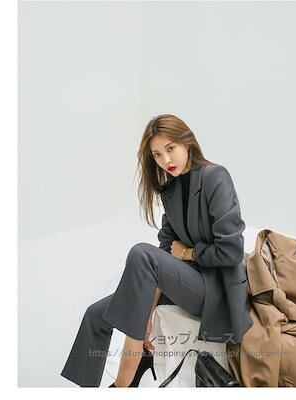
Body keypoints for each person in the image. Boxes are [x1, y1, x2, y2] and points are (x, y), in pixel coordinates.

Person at [60, 114, 252, 387]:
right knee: (95, 315)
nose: (165, 160)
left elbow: (230, 252)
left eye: (170, 148)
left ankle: (123, 383)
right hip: (185, 282)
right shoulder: (170, 191)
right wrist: (146, 313)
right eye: (157, 154)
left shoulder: (215, 177)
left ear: (187, 142)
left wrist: (187, 254)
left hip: (215, 290)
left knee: (142, 252)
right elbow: (164, 254)